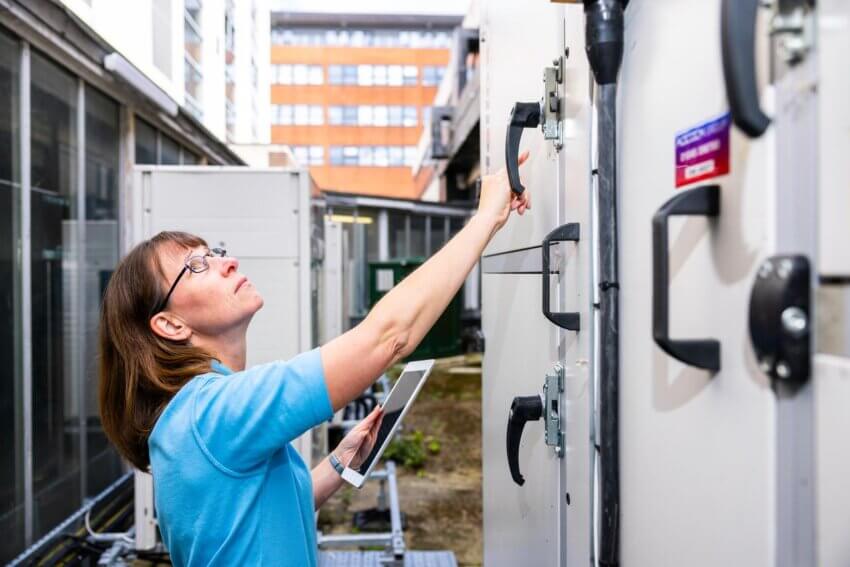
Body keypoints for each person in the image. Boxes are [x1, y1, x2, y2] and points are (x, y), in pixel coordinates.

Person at [98, 153, 531, 566]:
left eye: (214, 252)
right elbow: (388, 337)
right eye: (197, 266)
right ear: (171, 325)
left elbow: (261, 517)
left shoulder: (195, 417)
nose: (226, 262)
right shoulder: (212, 412)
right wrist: (487, 218)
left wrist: (338, 466)